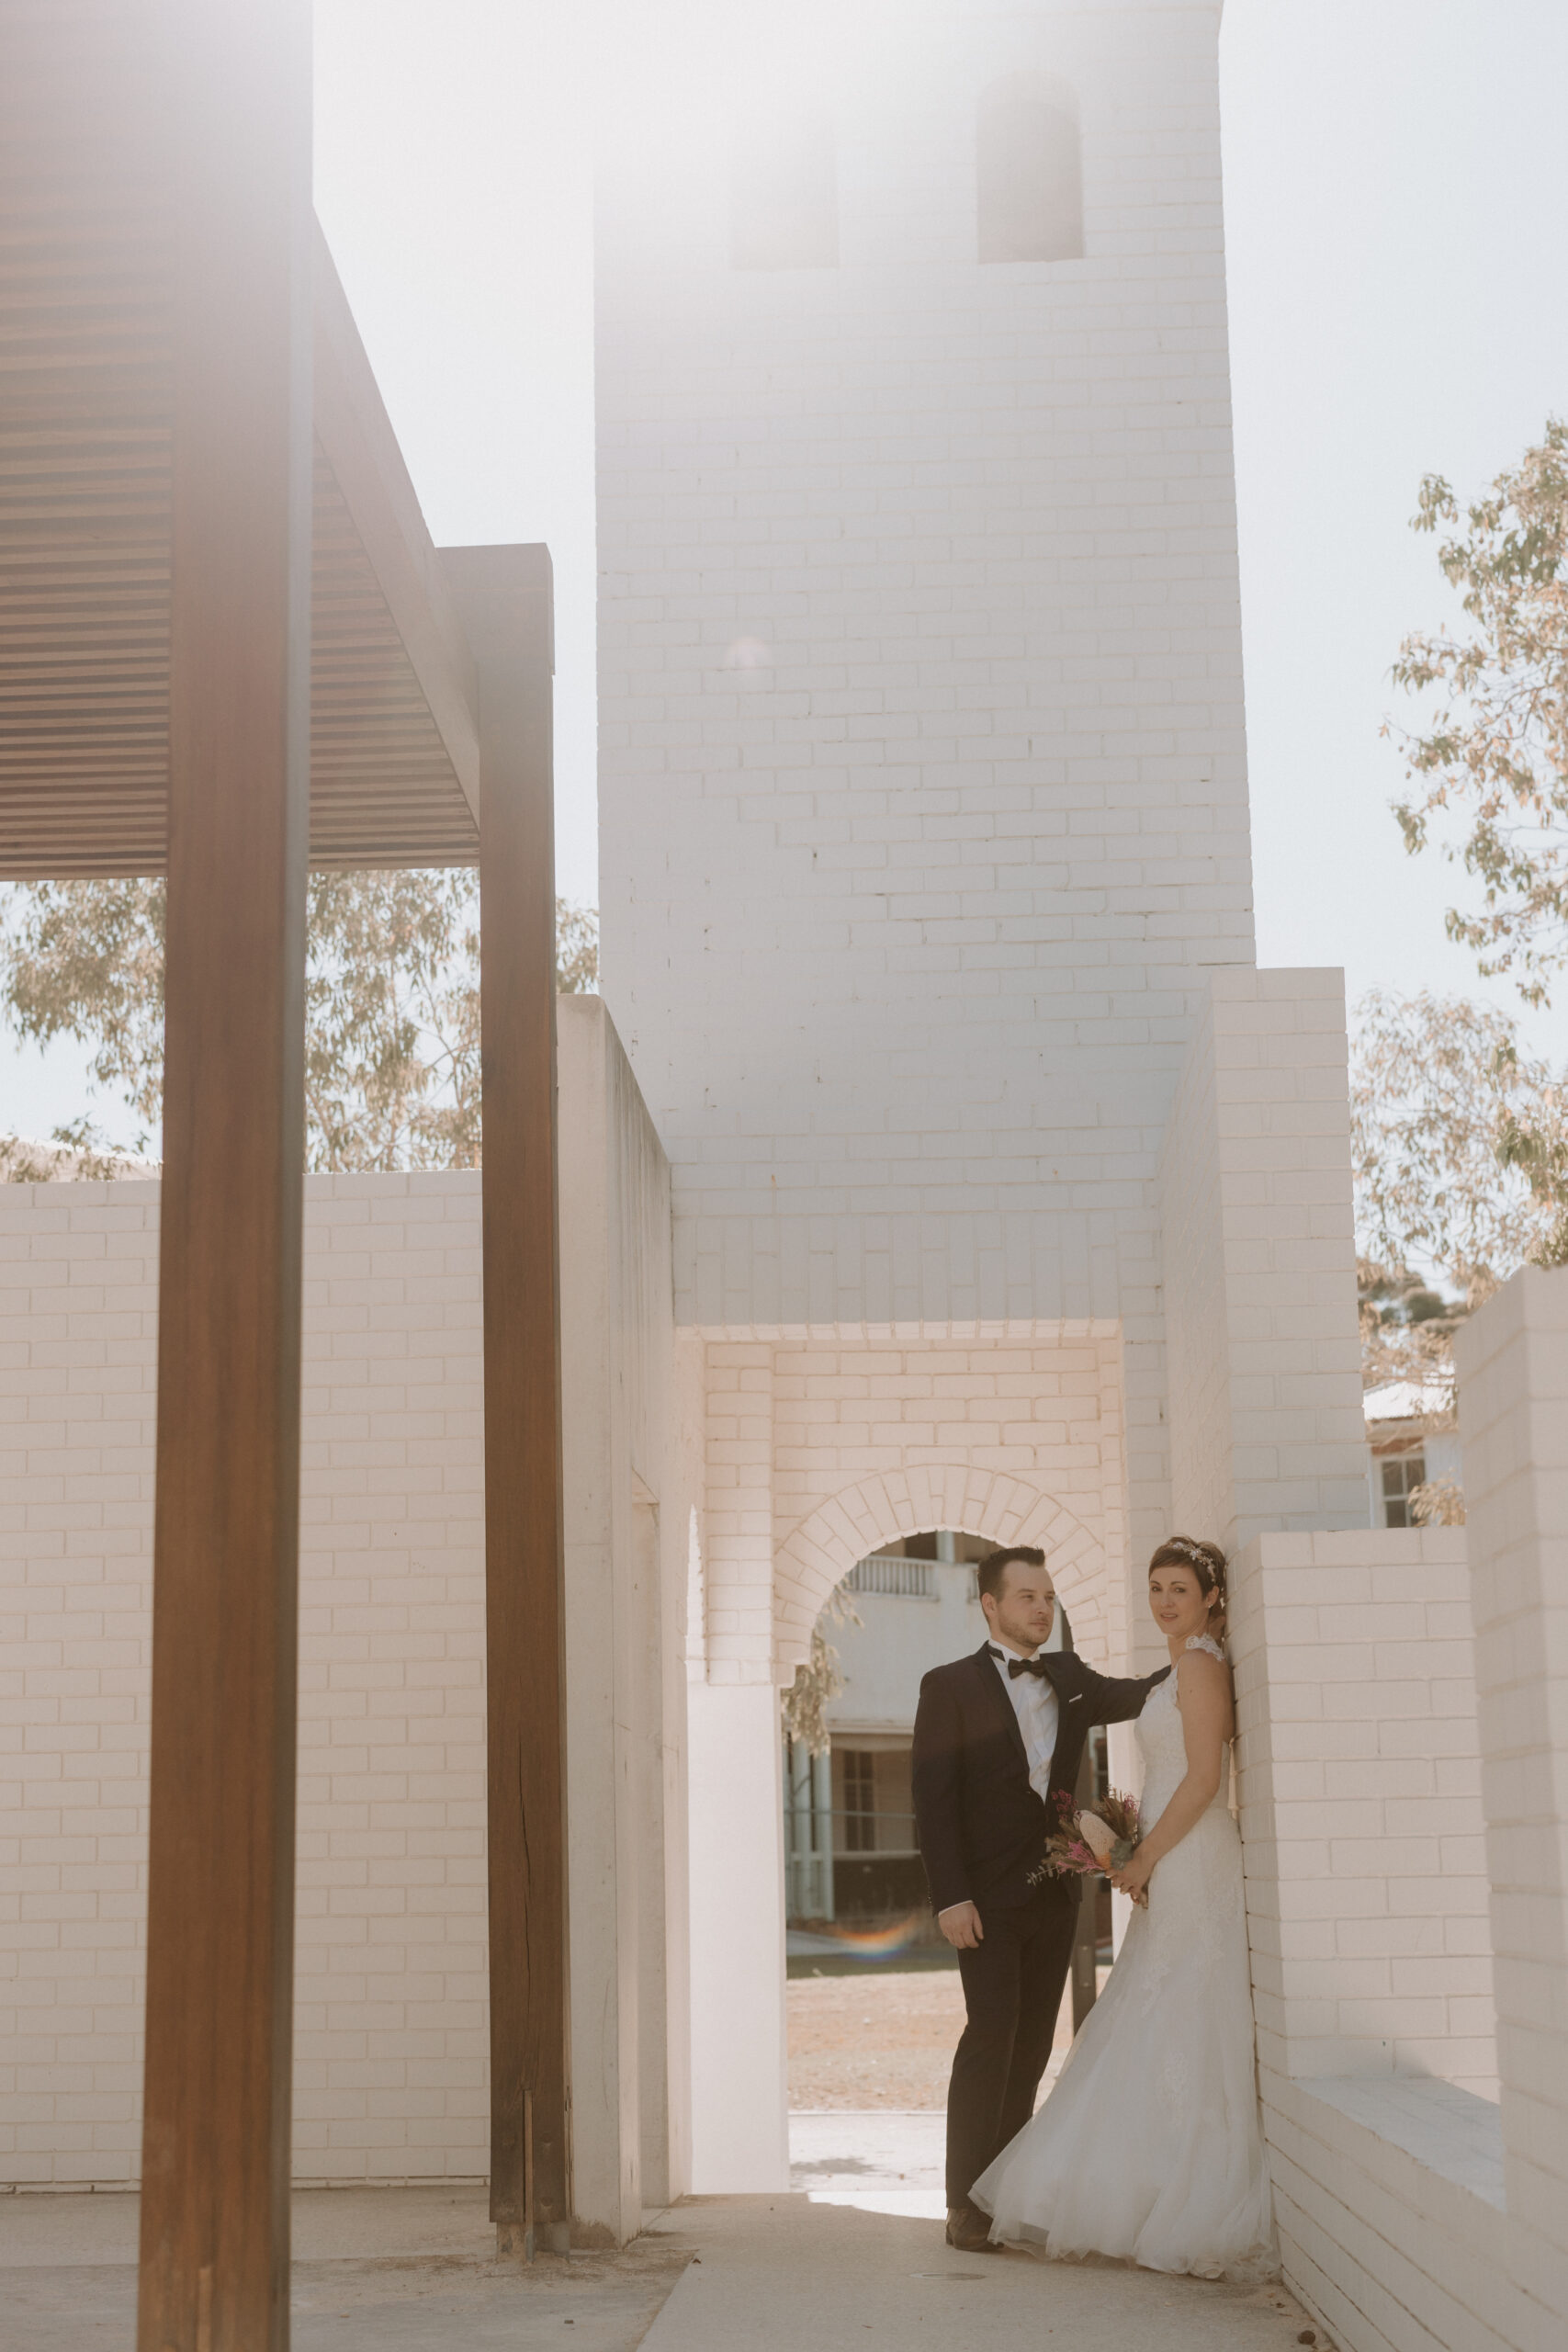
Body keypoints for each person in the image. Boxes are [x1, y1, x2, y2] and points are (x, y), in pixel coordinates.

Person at [969, 1535, 1275, 2279]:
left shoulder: (1201, 1668)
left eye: (1178, 1588)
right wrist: (1129, 1846)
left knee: (1182, 2009)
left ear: (1210, 1598)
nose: (1164, 1601)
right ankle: (1139, 2185)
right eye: (1155, 1589)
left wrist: (1143, 1855)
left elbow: (1204, 1778)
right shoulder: (1175, 1670)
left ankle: (1181, 2194)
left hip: (1191, 1855)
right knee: (1151, 2007)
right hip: (1169, 1855)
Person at [910, 1544, 1170, 2254]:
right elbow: (932, 1803)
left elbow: (1142, 1691)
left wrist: (1196, 1649)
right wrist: (950, 1897)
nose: (1040, 1609)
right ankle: (962, 2204)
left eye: (1047, 1598)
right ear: (990, 1606)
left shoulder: (1069, 1677)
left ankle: (1002, 2195)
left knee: (1029, 2048)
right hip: (983, 1901)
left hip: (1055, 1896)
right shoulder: (948, 1685)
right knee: (989, 2038)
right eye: (1026, 1597)